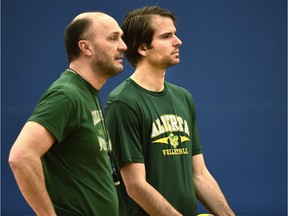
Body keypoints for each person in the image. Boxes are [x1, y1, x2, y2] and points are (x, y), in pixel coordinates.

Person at [104, 6, 235, 216]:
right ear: (143, 48)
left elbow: (198, 174)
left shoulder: (183, 97)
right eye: (166, 36)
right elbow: (135, 185)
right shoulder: (123, 103)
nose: (178, 41)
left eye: (174, 34)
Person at [8, 11, 127, 215]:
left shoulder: (86, 92)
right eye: (113, 38)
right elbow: (21, 156)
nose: (123, 46)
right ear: (86, 47)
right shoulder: (66, 94)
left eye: (121, 38)